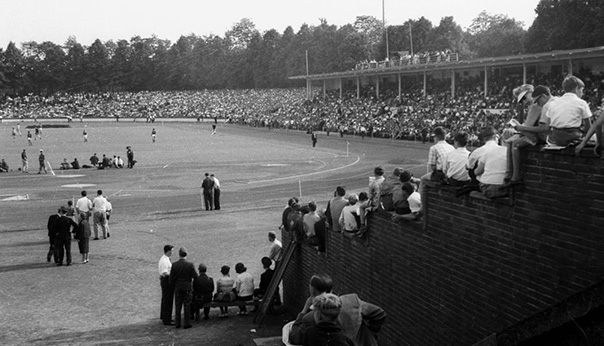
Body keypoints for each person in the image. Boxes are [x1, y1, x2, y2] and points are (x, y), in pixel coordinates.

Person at [286, 274, 386, 346]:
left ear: (313, 293)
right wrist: (369, 334)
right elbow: (379, 314)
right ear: (331, 289)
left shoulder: (311, 317)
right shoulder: (352, 301)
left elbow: (295, 337)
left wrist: (304, 311)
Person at [506, 85, 553, 184]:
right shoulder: (541, 104)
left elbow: (529, 126)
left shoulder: (536, 106)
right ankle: (511, 175)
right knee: (512, 140)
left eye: (524, 98)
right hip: (545, 135)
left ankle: (512, 175)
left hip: (542, 136)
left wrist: (519, 128)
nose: (524, 101)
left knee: (513, 142)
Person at [546, 75, 593, 146]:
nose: (582, 93)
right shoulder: (581, 103)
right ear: (577, 88)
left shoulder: (553, 103)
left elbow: (547, 125)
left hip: (556, 138)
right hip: (573, 136)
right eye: (581, 90)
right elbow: (588, 126)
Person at [420, 127, 454, 205]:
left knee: (423, 180)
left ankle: (423, 205)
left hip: (441, 174)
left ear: (437, 137)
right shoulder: (451, 147)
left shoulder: (434, 148)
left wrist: (430, 177)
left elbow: (431, 166)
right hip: (451, 173)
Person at [471, 127, 508, 198]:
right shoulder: (509, 152)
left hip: (488, 187)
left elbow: (476, 172)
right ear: (496, 137)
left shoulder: (487, 151)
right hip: (504, 188)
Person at [169, 247, 198, 329]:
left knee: (178, 305)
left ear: (179, 255)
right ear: (186, 254)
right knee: (187, 305)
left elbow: (171, 278)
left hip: (178, 287)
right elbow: (195, 276)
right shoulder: (190, 265)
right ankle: (186, 323)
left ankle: (177, 323)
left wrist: (174, 286)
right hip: (187, 287)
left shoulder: (174, 265)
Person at [158, 245, 175, 326]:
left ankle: (164, 316)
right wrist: (173, 274)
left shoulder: (164, 258)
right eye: (171, 251)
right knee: (168, 300)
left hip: (165, 281)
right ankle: (167, 319)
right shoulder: (165, 261)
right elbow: (165, 273)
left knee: (165, 299)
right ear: (168, 251)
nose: (172, 252)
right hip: (167, 281)